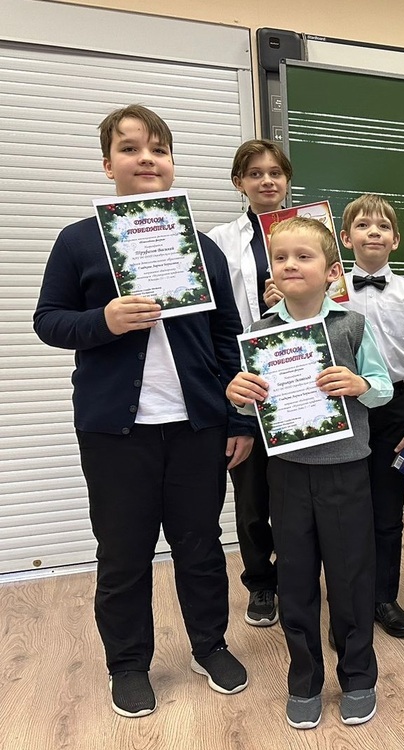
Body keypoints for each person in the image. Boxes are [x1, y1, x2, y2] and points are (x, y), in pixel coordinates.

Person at [33, 104, 253, 718]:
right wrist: (102, 321)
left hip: (197, 425)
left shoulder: (201, 247)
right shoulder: (78, 240)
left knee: (201, 545)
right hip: (114, 430)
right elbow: (48, 321)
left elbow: (229, 337)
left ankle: (209, 645)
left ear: (172, 161)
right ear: (109, 165)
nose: (146, 158)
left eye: (158, 148)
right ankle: (127, 664)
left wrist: (239, 419)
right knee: (123, 553)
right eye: (130, 149)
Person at [226, 216, 393, 728]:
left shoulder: (352, 325)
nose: (291, 264)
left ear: (332, 271)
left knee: (351, 577)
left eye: (304, 256)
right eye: (281, 258)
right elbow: (255, 405)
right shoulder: (260, 334)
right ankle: (304, 679)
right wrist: (238, 395)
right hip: (288, 474)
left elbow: (384, 388)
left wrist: (360, 384)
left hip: (345, 471)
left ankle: (358, 675)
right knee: (295, 580)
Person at [339, 194, 404, 639]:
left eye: (382, 226)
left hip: (396, 409)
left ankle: (383, 597)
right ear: (346, 238)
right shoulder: (329, 288)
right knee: (343, 510)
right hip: (343, 404)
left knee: (388, 508)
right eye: (363, 225)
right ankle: (348, 601)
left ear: (396, 240)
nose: (373, 232)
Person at [207, 139, 292, 627]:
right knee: (252, 493)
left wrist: (294, 299)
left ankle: (298, 575)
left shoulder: (312, 230)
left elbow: (334, 303)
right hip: (246, 376)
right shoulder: (219, 240)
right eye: (255, 173)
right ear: (239, 182)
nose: (267, 181)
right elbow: (214, 316)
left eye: (275, 172)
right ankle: (261, 582)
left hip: (298, 373)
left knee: (298, 489)